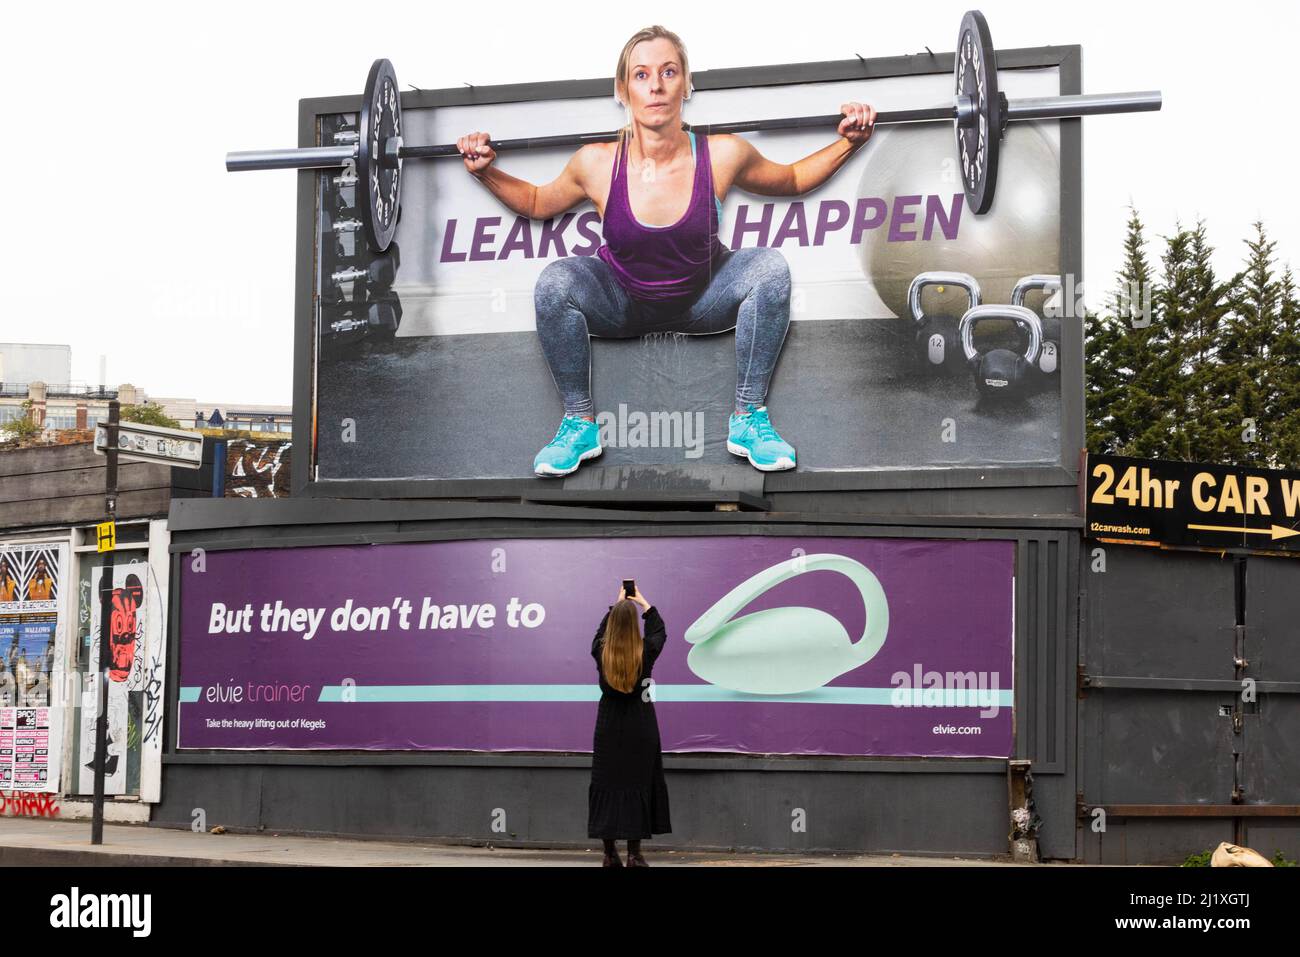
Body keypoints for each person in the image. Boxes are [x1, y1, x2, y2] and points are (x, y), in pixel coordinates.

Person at [456, 24, 876, 477]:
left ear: (687, 83)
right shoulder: (596, 164)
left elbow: (791, 179)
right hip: (621, 303)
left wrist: (848, 143)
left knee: (769, 269)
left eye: (668, 71)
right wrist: (485, 173)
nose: (655, 85)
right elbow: (538, 202)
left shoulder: (721, 154)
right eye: (641, 75)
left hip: (704, 299)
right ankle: (579, 424)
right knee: (555, 282)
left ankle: (748, 418)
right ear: (623, 91)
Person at [589, 584, 669, 866]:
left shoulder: (601, 650)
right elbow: (660, 632)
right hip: (640, 726)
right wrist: (644, 604)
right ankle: (634, 854)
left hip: (609, 727)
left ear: (613, 626)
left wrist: (616, 606)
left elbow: (599, 635)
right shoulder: (646, 651)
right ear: (635, 626)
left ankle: (610, 854)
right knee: (638, 785)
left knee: (607, 786)